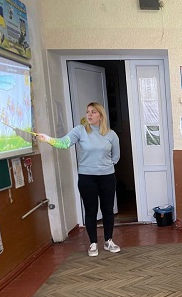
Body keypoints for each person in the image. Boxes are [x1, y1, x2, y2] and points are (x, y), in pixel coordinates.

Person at [37, 102, 121, 257]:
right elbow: (64, 143)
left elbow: (116, 156)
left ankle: (108, 241)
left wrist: (104, 166)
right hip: (87, 178)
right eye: (88, 112)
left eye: (93, 112)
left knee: (108, 210)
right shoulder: (80, 131)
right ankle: (93, 243)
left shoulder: (111, 134)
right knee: (91, 210)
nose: (89, 115)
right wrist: (48, 139)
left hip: (107, 177)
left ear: (101, 115)